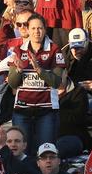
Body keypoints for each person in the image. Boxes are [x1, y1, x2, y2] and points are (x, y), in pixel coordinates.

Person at [8, 14, 65, 154]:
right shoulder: (19, 50)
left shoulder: (54, 49)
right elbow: (12, 83)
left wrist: (39, 70)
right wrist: (19, 69)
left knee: (45, 152)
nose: (36, 32)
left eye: (40, 28)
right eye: (33, 28)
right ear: (27, 29)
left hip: (46, 111)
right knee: (22, 153)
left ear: (45, 29)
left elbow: (57, 82)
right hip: (22, 110)